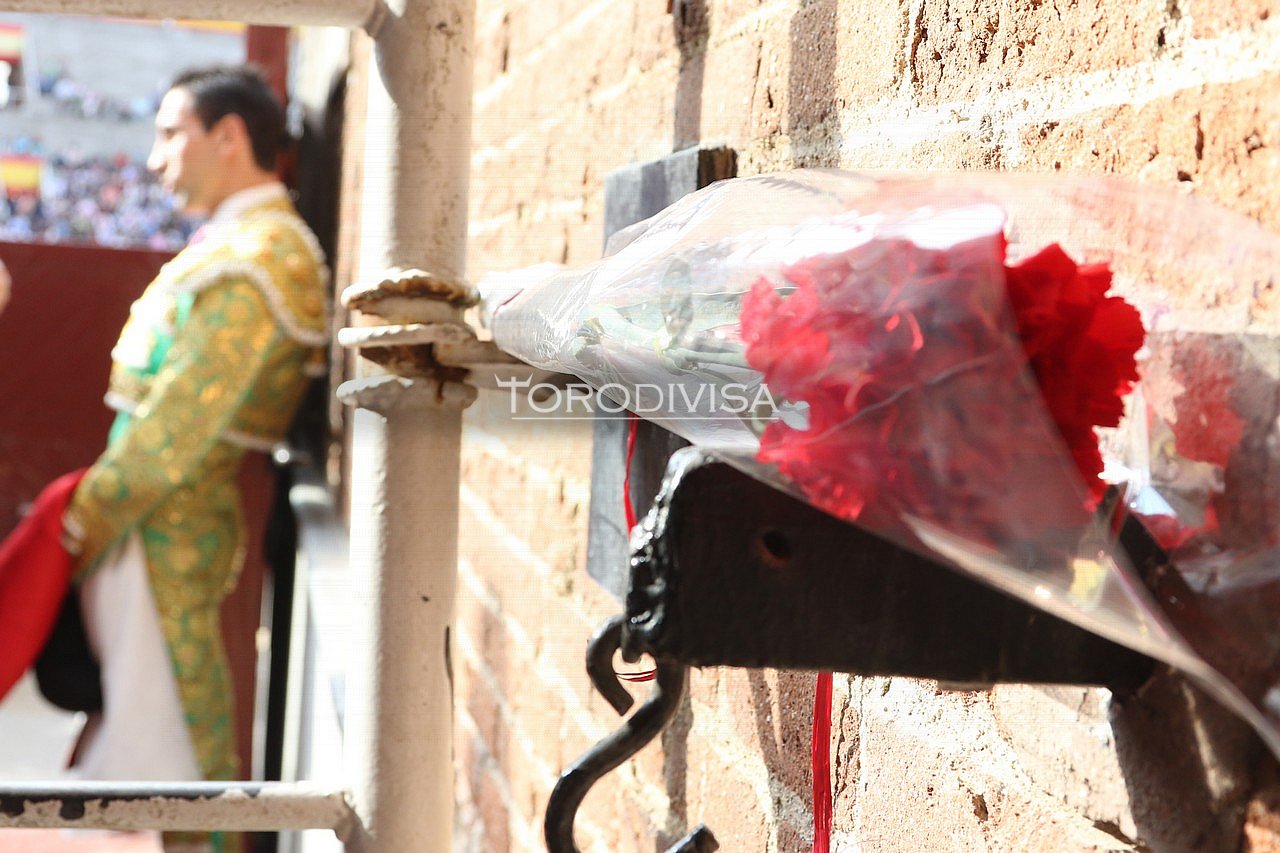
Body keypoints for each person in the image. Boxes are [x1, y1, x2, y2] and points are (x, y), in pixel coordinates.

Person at [60, 65, 327, 851]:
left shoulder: (262, 254)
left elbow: (178, 425)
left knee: (171, 758)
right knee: (156, 751)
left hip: (165, 526)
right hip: (158, 522)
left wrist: (84, 514)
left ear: (229, 135)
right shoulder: (244, 245)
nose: (156, 158)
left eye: (171, 133)